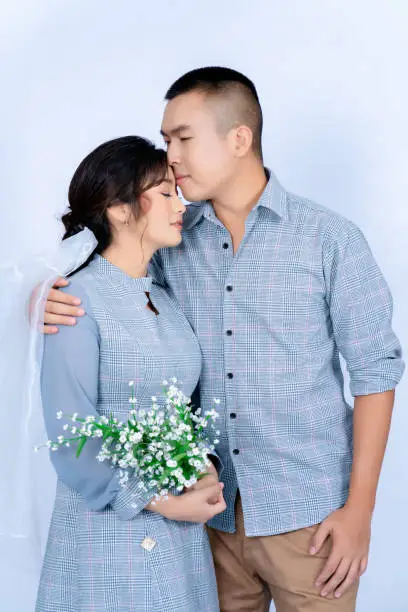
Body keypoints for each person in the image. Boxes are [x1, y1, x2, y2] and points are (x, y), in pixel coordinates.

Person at [42, 67, 404, 611]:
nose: (172, 156)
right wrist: (40, 297)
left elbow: (376, 372)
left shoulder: (329, 240)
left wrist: (359, 513)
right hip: (205, 525)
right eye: (166, 140)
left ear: (239, 138)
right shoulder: (171, 241)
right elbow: (113, 282)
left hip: (308, 521)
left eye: (182, 138)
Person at [36, 135, 225, 612]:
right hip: (108, 534)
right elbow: (69, 436)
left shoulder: (163, 298)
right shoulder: (75, 300)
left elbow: (184, 409)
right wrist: (162, 502)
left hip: (182, 540)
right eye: (165, 193)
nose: (179, 204)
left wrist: (201, 468)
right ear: (120, 210)